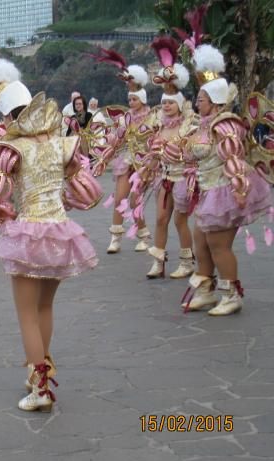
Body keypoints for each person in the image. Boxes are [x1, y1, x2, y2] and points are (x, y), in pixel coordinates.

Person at [0, 54, 103, 412]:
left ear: (7, 115)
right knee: (45, 306)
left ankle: (41, 385)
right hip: (60, 231)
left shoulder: (11, 149)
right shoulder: (61, 144)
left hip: (28, 234)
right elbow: (85, 190)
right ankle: (41, 372)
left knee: (26, 313)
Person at [180, 43, 272, 316]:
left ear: (215, 102)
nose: (197, 102)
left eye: (202, 99)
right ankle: (206, 290)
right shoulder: (203, 124)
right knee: (200, 242)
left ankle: (232, 294)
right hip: (208, 190)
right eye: (198, 98)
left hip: (225, 191)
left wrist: (239, 189)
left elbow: (233, 158)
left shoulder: (224, 125)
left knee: (218, 245)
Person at [136, 37, 197, 279]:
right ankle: (158, 262)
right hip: (165, 178)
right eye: (164, 103)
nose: (167, 106)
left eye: (171, 103)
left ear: (180, 105)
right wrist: (146, 170)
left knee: (180, 221)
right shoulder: (159, 126)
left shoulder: (188, 125)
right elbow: (152, 154)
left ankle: (187, 261)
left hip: (183, 180)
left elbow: (193, 153)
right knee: (161, 219)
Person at [91, 49, 158, 253]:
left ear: (142, 100)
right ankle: (116, 238)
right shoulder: (125, 118)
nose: (131, 103)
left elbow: (158, 142)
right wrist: (103, 157)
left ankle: (144, 236)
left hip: (144, 164)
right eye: (129, 100)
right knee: (119, 198)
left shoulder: (153, 118)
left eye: (134, 99)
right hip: (127, 161)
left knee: (135, 200)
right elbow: (117, 142)